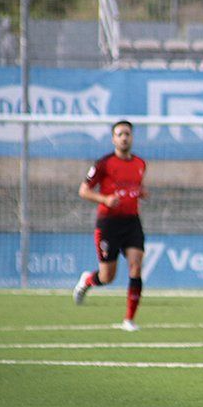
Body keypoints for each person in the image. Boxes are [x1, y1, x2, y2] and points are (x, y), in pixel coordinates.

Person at [72, 120, 147, 332]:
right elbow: (83, 190)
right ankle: (87, 280)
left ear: (132, 138)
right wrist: (104, 200)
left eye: (127, 134)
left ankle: (129, 320)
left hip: (132, 222)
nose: (124, 137)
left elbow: (133, 187)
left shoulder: (140, 163)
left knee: (136, 265)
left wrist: (141, 193)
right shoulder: (103, 164)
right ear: (113, 138)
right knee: (107, 277)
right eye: (120, 134)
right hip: (108, 224)